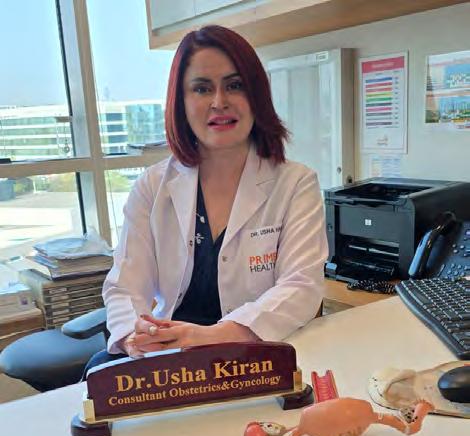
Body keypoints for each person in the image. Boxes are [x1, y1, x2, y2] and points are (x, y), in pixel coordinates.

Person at [87, 25, 328, 368]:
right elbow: (125, 285)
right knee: (97, 378)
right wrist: (134, 336)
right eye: (202, 88)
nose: (219, 102)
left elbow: (302, 286)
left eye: (234, 85)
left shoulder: (295, 184)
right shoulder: (152, 186)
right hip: (170, 358)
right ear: (182, 102)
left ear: (256, 96)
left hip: (255, 356)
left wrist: (212, 336)